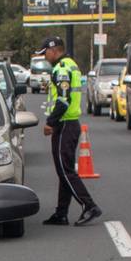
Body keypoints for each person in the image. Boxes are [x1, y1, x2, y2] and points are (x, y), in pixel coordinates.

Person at [39, 36, 103, 227]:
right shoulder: (70, 64)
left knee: (65, 170)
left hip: (64, 124)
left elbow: (63, 100)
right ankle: (61, 213)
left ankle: (89, 205)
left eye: (45, 53)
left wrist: (51, 122)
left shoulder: (62, 69)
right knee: (63, 170)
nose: (45, 58)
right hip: (70, 123)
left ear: (54, 50)